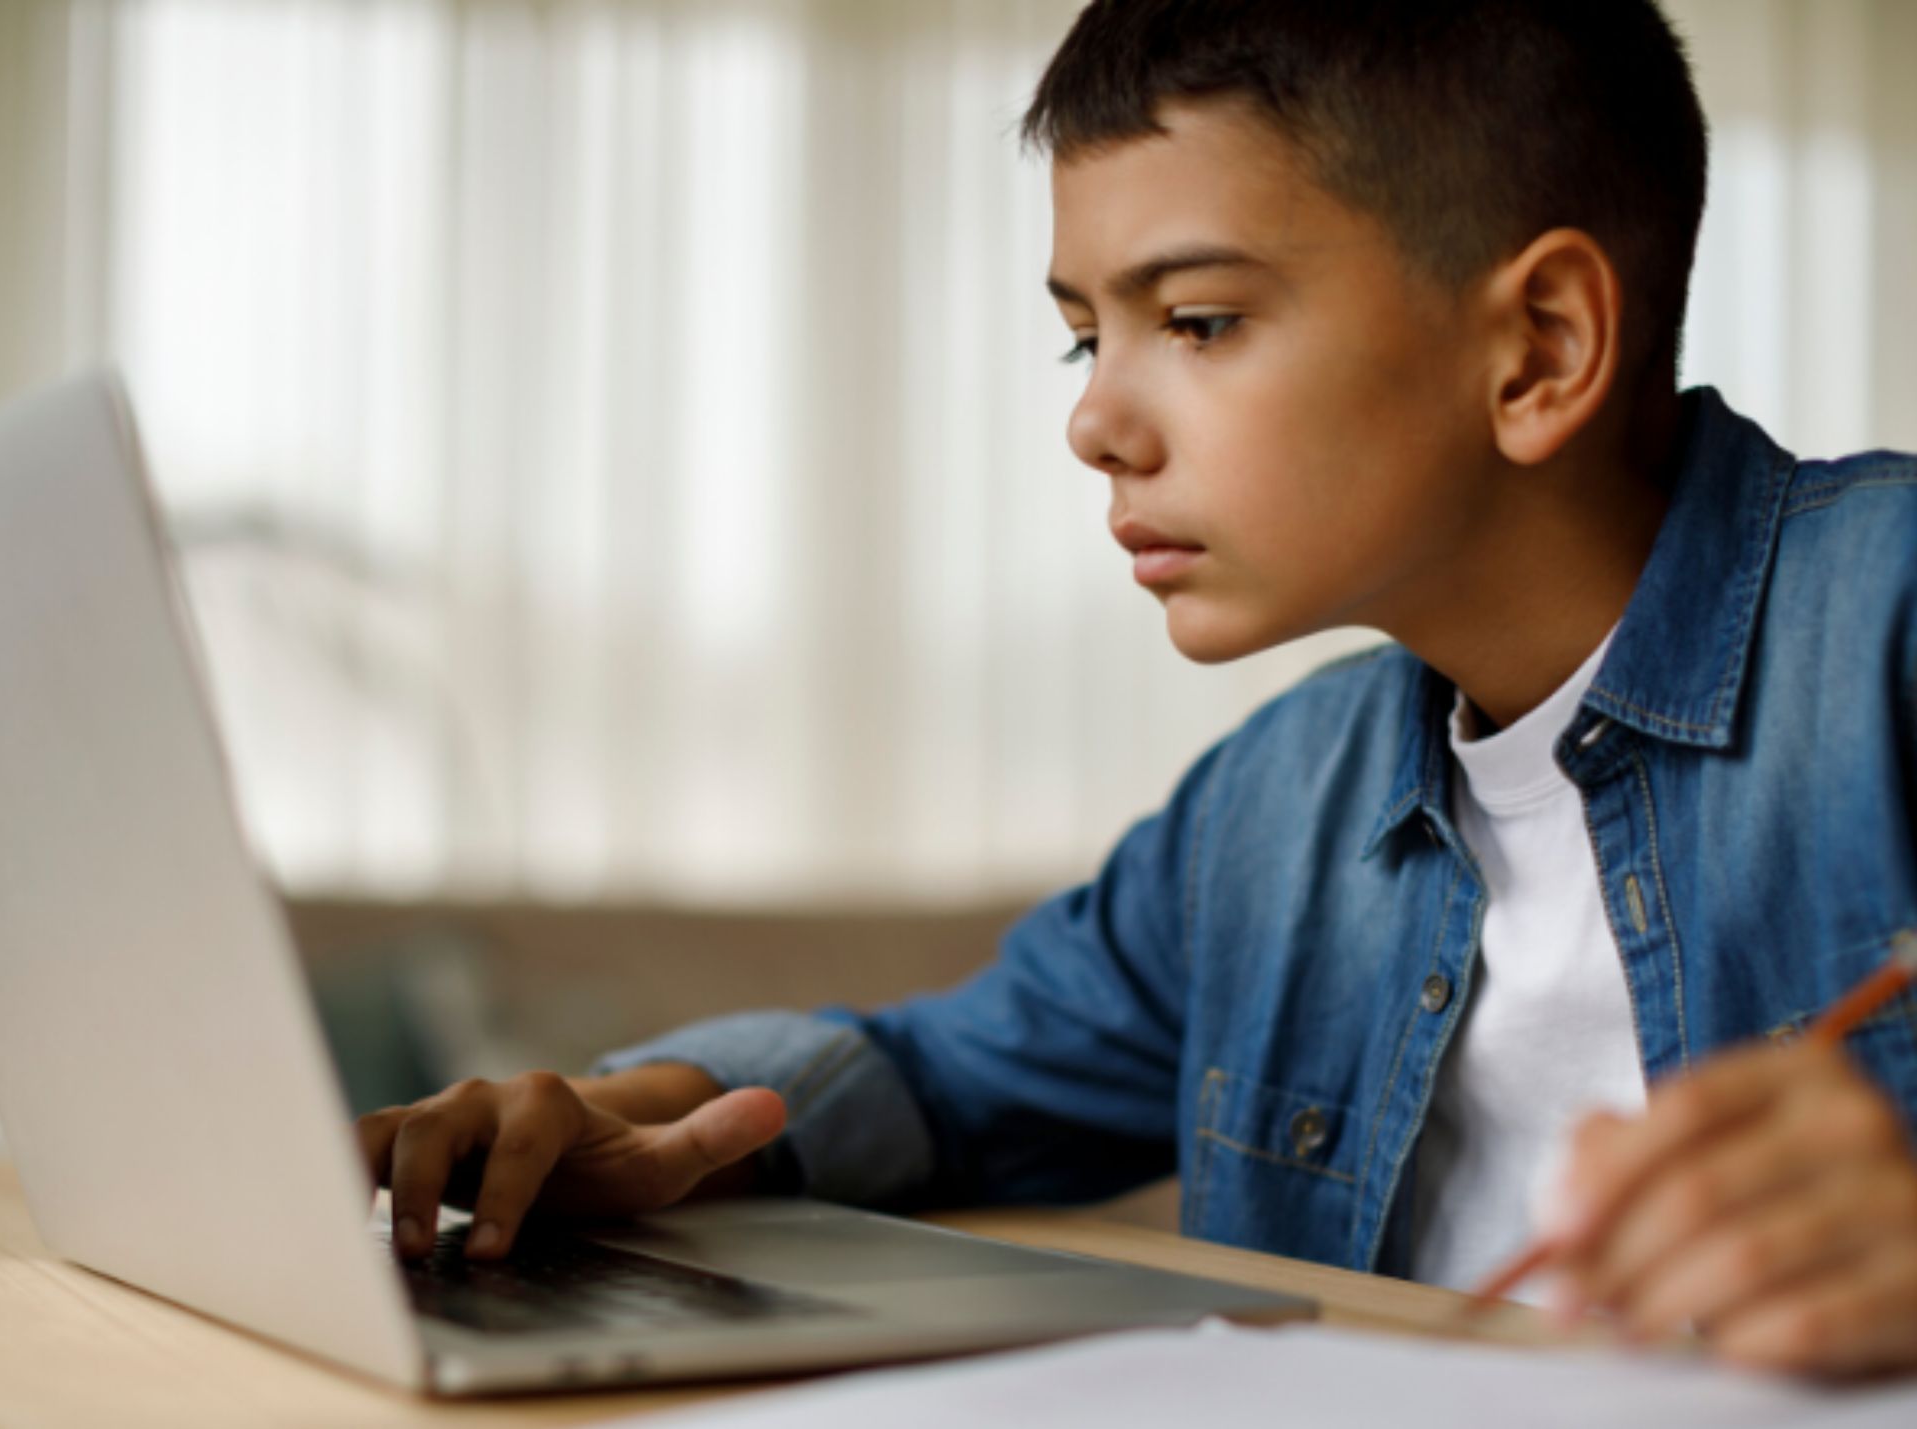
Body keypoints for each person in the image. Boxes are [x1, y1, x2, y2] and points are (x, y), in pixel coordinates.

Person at [355, 0, 1917, 1377]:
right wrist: (631, 1110)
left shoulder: (1888, 619)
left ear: (1538, 351)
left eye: (1199, 321)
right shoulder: (1276, 803)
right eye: (1080, 339)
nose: (1096, 421)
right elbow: (943, 1074)